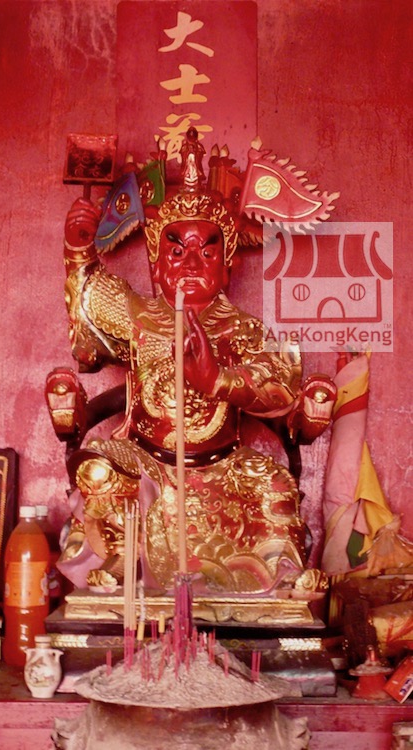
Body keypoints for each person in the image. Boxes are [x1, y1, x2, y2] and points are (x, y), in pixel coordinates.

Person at [48, 157, 337, 600]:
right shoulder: (137, 316)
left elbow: (279, 384)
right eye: (177, 250)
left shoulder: (245, 330)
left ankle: (282, 575)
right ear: (156, 262)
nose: (191, 262)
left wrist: (219, 379)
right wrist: (79, 248)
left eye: (207, 251)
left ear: (227, 265)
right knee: (97, 469)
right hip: (144, 461)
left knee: (275, 483)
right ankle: (118, 561)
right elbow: (90, 304)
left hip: (221, 468)